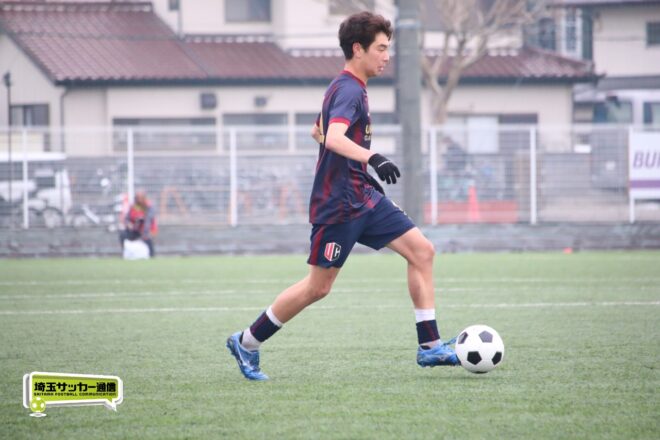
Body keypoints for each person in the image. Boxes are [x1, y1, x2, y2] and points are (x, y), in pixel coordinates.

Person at [226, 11, 459, 381]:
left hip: (363, 195)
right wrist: (372, 156)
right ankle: (247, 342)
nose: (387, 56)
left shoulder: (346, 87)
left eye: (388, 48)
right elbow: (332, 137)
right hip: (338, 205)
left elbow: (317, 131)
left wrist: (351, 161)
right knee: (318, 288)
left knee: (422, 252)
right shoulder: (349, 89)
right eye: (381, 48)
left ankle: (430, 346)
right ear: (358, 49)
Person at [119, 191, 157, 257]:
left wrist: (145, 233)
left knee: (148, 240)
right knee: (123, 235)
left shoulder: (148, 207)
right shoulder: (133, 207)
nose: (139, 200)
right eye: (138, 198)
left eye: (140, 198)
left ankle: (152, 256)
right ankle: (125, 252)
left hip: (145, 230)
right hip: (134, 230)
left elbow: (148, 221)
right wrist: (129, 224)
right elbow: (126, 219)